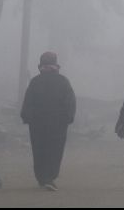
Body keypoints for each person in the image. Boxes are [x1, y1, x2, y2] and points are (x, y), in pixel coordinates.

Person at [20, 51, 76, 191]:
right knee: (55, 150)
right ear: (56, 64)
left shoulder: (35, 81)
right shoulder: (63, 81)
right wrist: (68, 118)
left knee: (39, 150)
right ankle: (49, 177)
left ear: (41, 64)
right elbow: (70, 102)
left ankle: (42, 178)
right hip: (58, 124)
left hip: (37, 124)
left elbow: (28, 102)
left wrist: (27, 117)